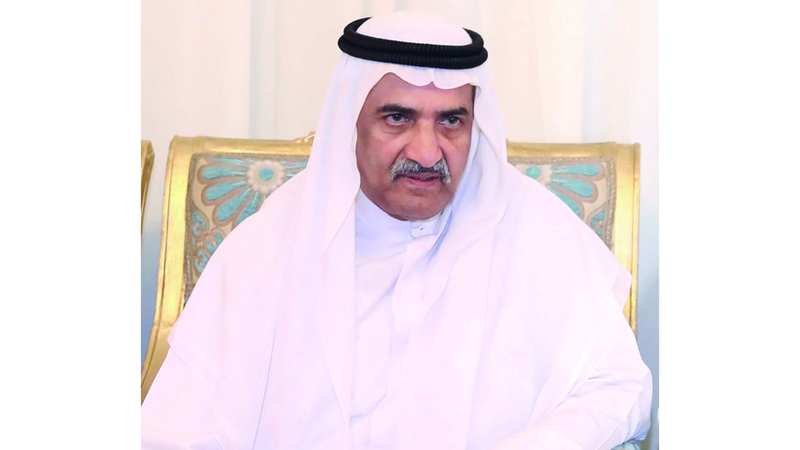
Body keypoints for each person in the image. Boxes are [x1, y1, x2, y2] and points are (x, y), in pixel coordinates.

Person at [142, 11, 652, 450]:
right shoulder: (268, 249)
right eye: (397, 118)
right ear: (352, 121)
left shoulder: (536, 233)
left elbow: (619, 389)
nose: (427, 153)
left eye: (451, 122)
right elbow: (177, 426)